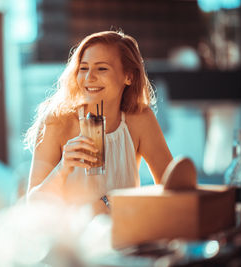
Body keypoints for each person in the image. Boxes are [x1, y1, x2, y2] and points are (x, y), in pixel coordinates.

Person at [25, 30, 173, 214]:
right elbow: (32, 206)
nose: (89, 78)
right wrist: (63, 169)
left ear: (129, 76)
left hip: (124, 236)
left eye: (101, 68)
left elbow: (172, 188)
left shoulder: (140, 119)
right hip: (75, 239)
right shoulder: (57, 121)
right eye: (84, 68)